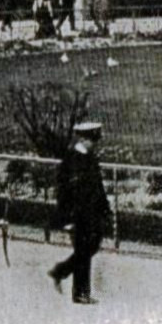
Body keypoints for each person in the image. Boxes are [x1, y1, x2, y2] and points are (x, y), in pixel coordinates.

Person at [49, 121, 110, 304]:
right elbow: (63, 192)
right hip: (77, 214)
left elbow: (97, 187)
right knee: (83, 250)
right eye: (92, 139)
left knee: (90, 247)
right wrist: (67, 218)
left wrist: (105, 208)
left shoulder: (90, 158)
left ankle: (60, 271)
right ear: (83, 139)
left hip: (92, 213)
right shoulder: (71, 160)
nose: (94, 143)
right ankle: (80, 292)